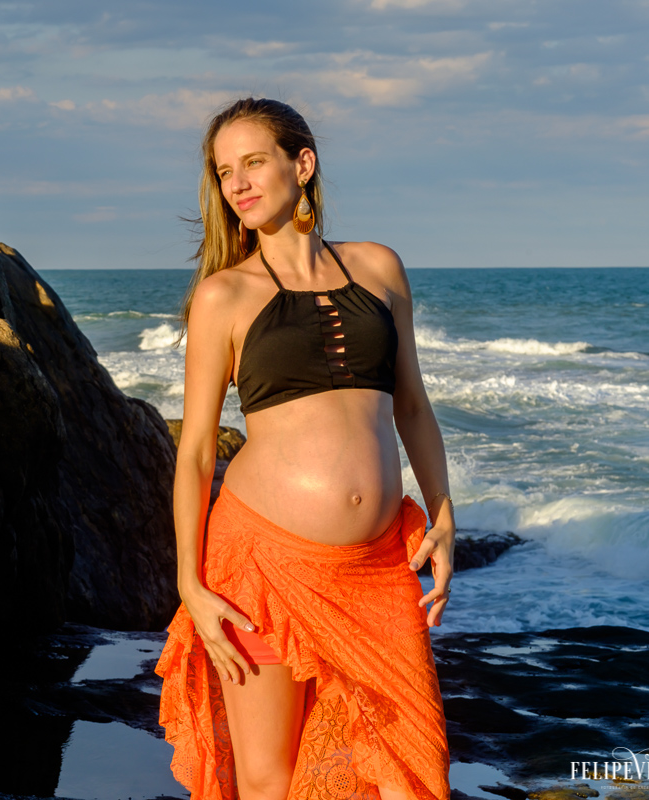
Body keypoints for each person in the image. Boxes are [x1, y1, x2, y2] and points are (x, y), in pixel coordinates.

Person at [155, 97, 454, 800]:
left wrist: (443, 513)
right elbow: (196, 450)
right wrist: (189, 585)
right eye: (225, 172)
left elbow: (411, 404)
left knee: (413, 769)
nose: (238, 184)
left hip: (377, 565)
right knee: (268, 779)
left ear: (303, 164)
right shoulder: (223, 296)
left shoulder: (379, 267)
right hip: (261, 564)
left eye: (253, 162)